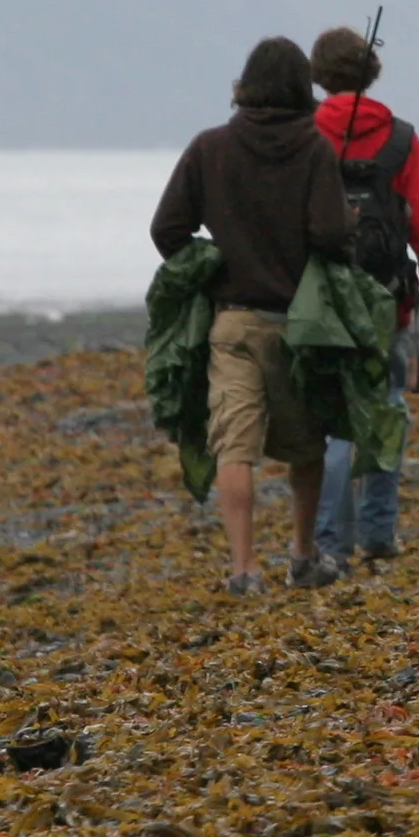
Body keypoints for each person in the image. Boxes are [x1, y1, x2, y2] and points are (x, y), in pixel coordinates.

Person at [149, 36, 355, 593]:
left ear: (246, 84)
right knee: (306, 445)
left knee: (233, 446)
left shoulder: (209, 147)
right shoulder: (315, 150)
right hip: (299, 325)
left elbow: (166, 230)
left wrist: (210, 267)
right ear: (300, 87)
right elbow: (332, 234)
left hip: (233, 321)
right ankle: (304, 556)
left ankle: (243, 569)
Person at [306, 27, 419, 573]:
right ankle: (378, 532)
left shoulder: (305, 137)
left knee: (331, 422)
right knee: (387, 404)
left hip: (321, 300)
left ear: (320, 76)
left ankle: (329, 543)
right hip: (388, 299)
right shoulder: (400, 138)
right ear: (370, 72)